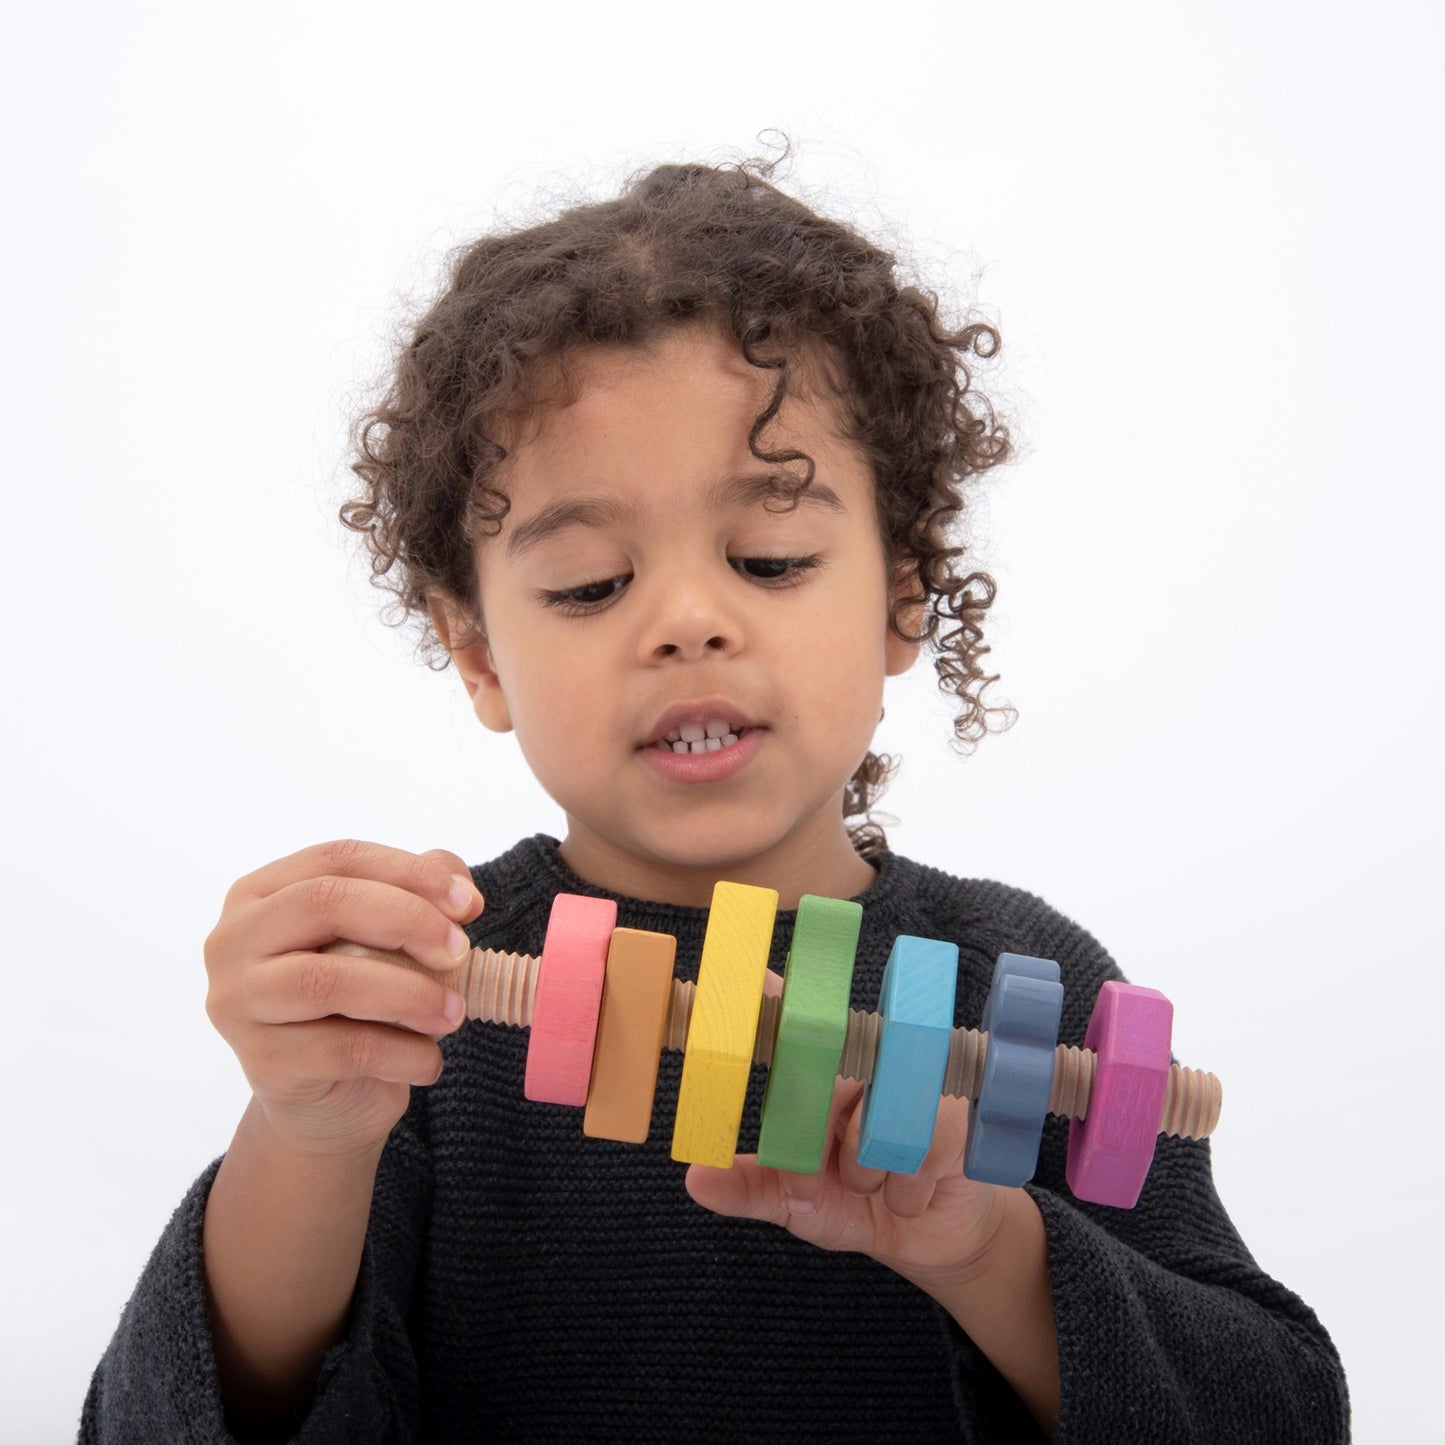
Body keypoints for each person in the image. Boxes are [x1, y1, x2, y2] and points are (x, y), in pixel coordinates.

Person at [82, 157, 1349, 1443]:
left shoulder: (1025, 985)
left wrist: (988, 1252)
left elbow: (1274, 1414)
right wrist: (304, 1130)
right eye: (587, 584)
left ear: (904, 592)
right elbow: (163, 1425)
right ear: (476, 650)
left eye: (770, 558)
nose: (688, 622)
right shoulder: (435, 1002)